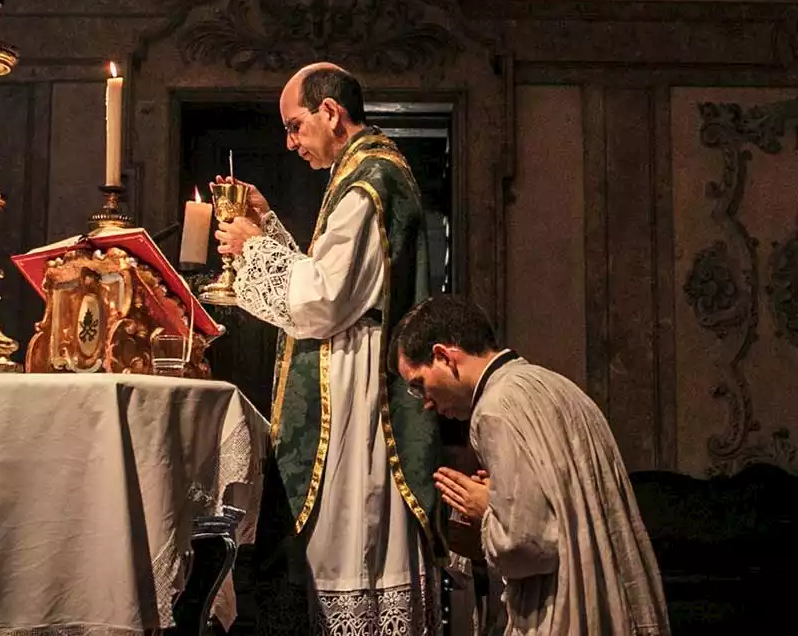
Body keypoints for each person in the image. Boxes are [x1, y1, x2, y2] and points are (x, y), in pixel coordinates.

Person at [214, 63, 444, 634]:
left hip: (359, 382)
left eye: (295, 126)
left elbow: (325, 299)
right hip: (348, 362)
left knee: (356, 540)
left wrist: (252, 248)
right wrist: (266, 228)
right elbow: (332, 276)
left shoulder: (370, 178)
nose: (290, 143)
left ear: (331, 113)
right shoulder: (364, 172)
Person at [391, 295, 670, 635]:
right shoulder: (556, 386)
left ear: (444, 356)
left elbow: (529, 543)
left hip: (565, 611)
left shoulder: (494, 410)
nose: (427, 404)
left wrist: (486, 512)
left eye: (420, 385)